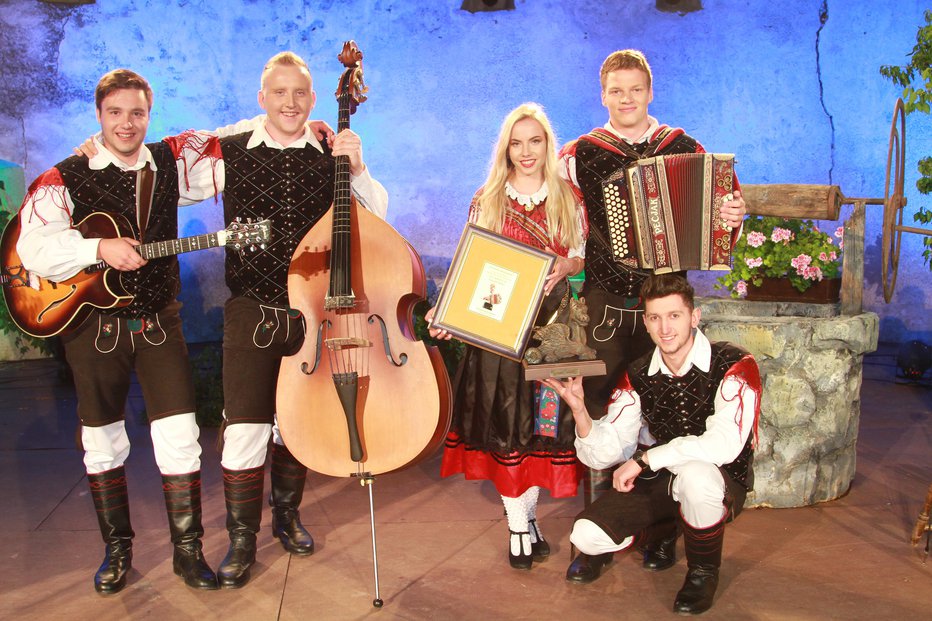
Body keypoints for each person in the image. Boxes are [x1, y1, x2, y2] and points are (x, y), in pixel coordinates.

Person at [168, 51, 389, 588]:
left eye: (299, 94)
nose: (289, 103)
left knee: (296, 426)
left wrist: (357, 167)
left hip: (312, 311)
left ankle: (287, 516)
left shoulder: (330, 149)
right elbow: (159, 175)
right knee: (244, 424)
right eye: (279, 93)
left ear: (313, 100)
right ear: (261, 98)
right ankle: (243, 538)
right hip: (250, 307)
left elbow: (377, 214)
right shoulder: (229, 151)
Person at [16, 69, 219, 594]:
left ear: (149, 115)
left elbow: (234, 143)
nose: (126, 123)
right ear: (98, 114)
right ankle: (117, 551)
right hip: (93, 328)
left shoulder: (171, 164)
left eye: (137, 112)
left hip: (160, 321)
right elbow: (31, 249)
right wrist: (97, 249)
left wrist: (306, 125)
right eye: (115, 113)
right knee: (102, 441)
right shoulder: (65, 176)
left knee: (179, 436)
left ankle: (188, 551)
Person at [558, 48, 748, 577]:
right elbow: (562, 216)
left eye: (635, 89)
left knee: (666, 414)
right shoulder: (579, 154)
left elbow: (723, 217)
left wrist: (732, 213)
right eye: (615, 91)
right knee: (598, 415)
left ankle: (661, 533)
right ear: (603, 96)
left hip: (665, 306)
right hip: (604, 305)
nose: (626, 99)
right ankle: (598, 540)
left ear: (650, 91)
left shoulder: (684, 147)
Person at [543, 273, 760, 615]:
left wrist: (646, 460)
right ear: (645, 322)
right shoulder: (638, 372)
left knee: (696, 477)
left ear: (694, 317)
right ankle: (664, 530)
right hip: (662, 478)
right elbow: (609, 448)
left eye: (674, 316)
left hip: (719, 478)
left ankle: (703, 573)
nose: (665, 328)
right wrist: (581, 412)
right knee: (585, 535)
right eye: (655, 318)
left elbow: (723, 445)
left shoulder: (734, 365)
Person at [430, 103, 587, 569]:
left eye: (534, 141)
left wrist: (567, 265)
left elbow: (580, 256)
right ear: (505, 149)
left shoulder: (568, 197)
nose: (525, 152)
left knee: (542, 429)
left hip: (553, 329)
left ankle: (529, 517)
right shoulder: (488, 198)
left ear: (547, 145)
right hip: (497, 329)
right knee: (506, 426)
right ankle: (518, 522)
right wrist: (445, 310)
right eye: (516, 143)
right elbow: (468, 263)